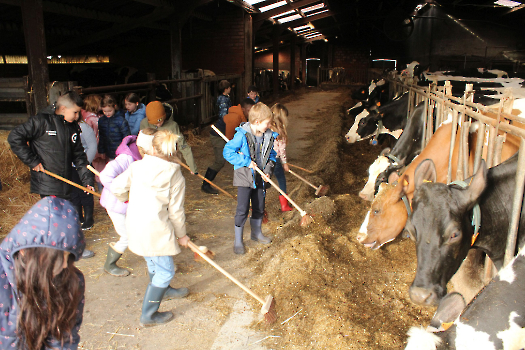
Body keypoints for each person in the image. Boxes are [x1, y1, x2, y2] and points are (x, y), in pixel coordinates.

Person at [111, 129, 190, 327]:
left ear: (152, 149)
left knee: (154, 260)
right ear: (174, 151)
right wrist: (182, 235)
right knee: (165, 271)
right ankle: (149, 314)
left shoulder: (137, 167)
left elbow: (117, 188)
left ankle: (165, 289)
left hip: (136, 224)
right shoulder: (175, 175)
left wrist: (125, 199)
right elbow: (176, 212)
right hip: (156, 228)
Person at [0, 196, 86, 350]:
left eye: (69, 257)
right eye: (58, 259)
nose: (66, 265)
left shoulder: (72, 281)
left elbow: (64, 339)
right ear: (28, 253)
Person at [8, 91, 95, 199]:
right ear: (63, 109)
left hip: (66, 182)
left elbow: (79, 155)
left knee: (68, 213)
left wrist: (87, 180)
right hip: (47, 184)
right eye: (75, 112)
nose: (77, 117)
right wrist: (32, 161)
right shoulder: (41, 121)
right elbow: (15, 136)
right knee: (54, 214)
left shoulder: (72, 127)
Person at [223, 102, 278, 254]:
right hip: (245, 177)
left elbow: (272, 156)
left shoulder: (268, 136)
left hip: (260, 177)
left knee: (259, 206)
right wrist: (246, 162)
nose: (269, 125)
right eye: (267, 123)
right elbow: (228, 152)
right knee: (242, 209)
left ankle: (256, 233)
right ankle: (238, 240)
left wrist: (268, 170)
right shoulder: (241, 135)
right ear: (257, 122)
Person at [99, 129, 155, 277]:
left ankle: (156, 266)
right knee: (127, 236)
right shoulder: (126, 158)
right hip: (116, 206)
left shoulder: (143, 157)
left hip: (130, 206)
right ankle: (109, 265)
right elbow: (105, 176)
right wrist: (122, 193)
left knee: (141, 233)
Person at [202, 98, 256, 194]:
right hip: (218, 136)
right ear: (243, 109)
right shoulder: (234, 118)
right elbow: (230, 137)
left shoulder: (242, 116)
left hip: (225, 136)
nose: (251, 113)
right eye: (249, 111)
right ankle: (205, 184)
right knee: (220, 161)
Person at [139, 101, 198, 174]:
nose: (159, 124)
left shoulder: (172, 126)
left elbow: (183, 146)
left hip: (169, 161)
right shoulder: (144, 124)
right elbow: (141, 145)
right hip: (152, 161)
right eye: (156, 123)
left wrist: (192, 166)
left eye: (161, 120)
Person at [71, 109, 98, 234]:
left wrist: (85, 164)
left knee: (86, 190)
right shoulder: (65, 127)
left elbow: (92, 146)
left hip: (84, 164)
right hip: (70, 166)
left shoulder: (84, 127)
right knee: (73, 191)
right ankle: (78, 216)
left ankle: (88, 217)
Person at [270, 103, 293, 212]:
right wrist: (284, 163)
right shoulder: (280, 132)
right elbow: (282, 150)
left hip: (265, 160)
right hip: (276, 160)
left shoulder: (266, 127)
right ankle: (284, 206)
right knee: (281, 180)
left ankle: (256, 206)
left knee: (263, 183)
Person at [81, 94, 105, 192]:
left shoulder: (84, 117)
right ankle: (102, 193)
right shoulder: (94, 119)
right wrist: (100, 151)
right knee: (101, 171)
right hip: (97, 149)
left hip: (88, 149)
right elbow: (98, 136)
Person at [98, 94, 131, 162]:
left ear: (114, 107)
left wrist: (125, 150)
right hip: (109, 152)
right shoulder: (101, 120)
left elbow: (127, 137)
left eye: (109, 111)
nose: (107, 113)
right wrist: (101, 151)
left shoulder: (121, 120)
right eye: (104, 111)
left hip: (121, 152)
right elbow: (101, 137)